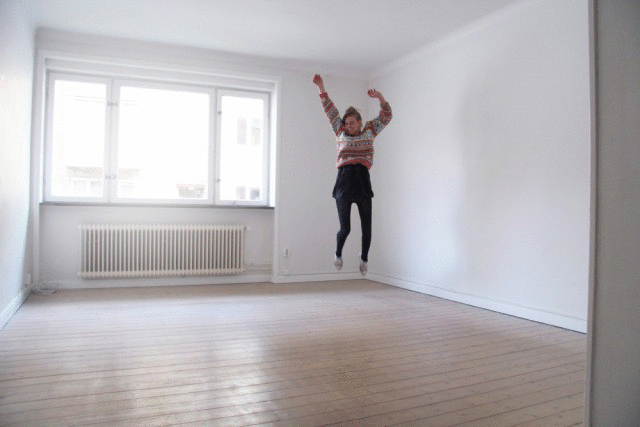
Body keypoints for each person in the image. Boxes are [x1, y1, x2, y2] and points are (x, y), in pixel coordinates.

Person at [312, 74, 392, 275]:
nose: (349, 126)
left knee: (367, 228)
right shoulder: (340, 132)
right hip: (344, 182)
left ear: (359, 122)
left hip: (363, 181)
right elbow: (330, 111)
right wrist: (321, 88)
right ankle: (338, 253)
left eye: (353, 123)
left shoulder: (369, 131)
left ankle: (364, 257)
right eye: (347, 123)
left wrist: (380, 98)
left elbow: (386, 116)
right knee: (345, 228)